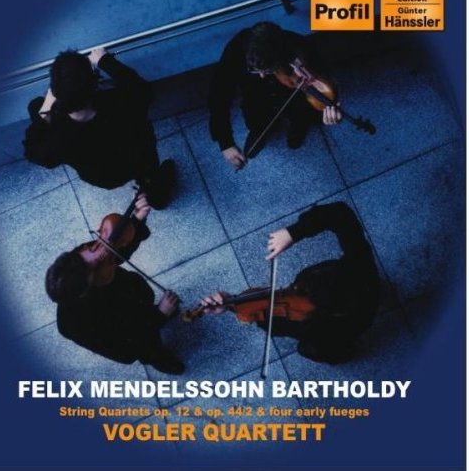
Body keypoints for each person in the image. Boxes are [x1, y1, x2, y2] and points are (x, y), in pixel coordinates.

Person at [199, 202, 380, 364]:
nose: (291, 289)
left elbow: (273, 324)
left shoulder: (319, 330)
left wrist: (233, 306)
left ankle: (344, 354)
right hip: (366, 290)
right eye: (298, 288)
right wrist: (293, 233)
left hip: (340, 332)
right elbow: (339, 212)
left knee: (310, 350)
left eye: (301, 291)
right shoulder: (360, 264)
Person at [45, 192, 184, 374]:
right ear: (88, 287)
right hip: (136, 329)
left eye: (92, 246)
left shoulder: (84, 257)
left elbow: (115, 248)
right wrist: (159, 315)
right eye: (108, 261)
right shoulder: (74, 326)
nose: (105, 251)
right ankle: (158, 358)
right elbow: (127, 352)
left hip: (136, 294)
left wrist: (136, 221)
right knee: (150, 348)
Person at [24, 47, 174, 209]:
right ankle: (156, 197)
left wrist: (45, 108)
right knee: (149, 173)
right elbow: (141, 90)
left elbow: (35, 154)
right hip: (139, 158)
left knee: (35, 105)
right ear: (94, 85)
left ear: (54, 91)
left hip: (103, 176)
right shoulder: (120, 104)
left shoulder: (55, 134)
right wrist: (105, 61)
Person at [208, 21, 342, 169]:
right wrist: (225, 143)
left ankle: (299, 125)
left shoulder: (298, 45)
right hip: (255, 96)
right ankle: (260, 129)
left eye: (269, 70)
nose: (261, 75)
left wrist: (329, 107)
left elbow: (322, 77)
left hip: (293, 95)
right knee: (255, 118)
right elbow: (218, 96)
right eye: (254, 69)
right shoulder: (236, 49)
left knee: (301, 113)